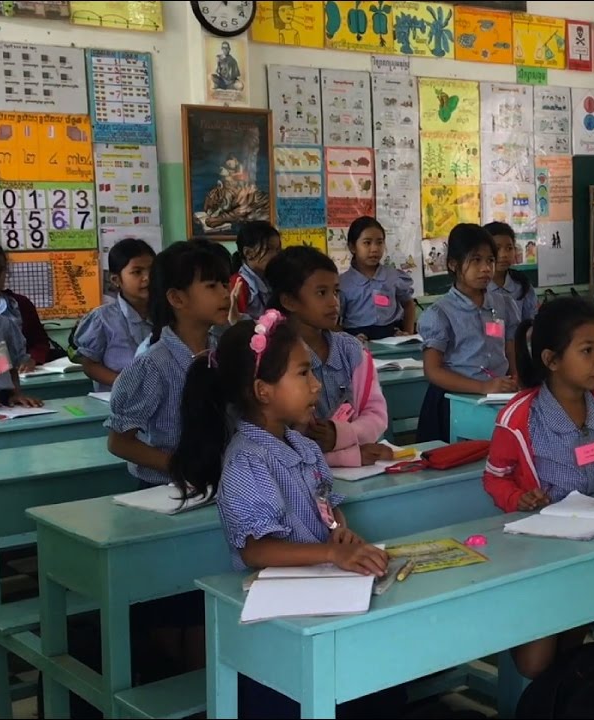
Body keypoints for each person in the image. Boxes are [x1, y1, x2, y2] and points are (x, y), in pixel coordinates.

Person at [168, 315, 396, 718]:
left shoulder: (303, 447)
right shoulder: (248, 461)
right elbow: (257, 550)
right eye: (303, 373)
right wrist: (331, 553)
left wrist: (339, 533)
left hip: (317, 591)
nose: (316, 385)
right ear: (263, 391)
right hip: (276, 617)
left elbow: (327, 506)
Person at [481, 296, 594, 679]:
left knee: (570, 645)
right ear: (551, 360)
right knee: (535, 663)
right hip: (537, 549)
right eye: (587, 351)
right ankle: (511, 627)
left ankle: (560, 700)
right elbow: (495, 478)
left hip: (592, 543)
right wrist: (517, 497)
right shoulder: (520, 418)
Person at [108, 242, 230, 488]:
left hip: (218, 482)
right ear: (176, 298)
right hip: (165, 490)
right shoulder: (152, 365)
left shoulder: (222, 352)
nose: (225, 294)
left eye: (224, 284)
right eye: (211, 286)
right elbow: (119, 442)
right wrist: (180, 468)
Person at [268, 246, 390, 468]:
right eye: (321, 293)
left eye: (336, 291)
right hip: (296, 476)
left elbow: (376, 415)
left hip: (359, 472)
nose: (334, 302)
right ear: (289, 301)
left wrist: (341, 434)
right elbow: (275, 443)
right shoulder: (273, 355)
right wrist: (345, 457)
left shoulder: (351, 350)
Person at [416, 224, 518, 442]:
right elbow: (432, 371)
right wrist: (483, 387)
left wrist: (517, 380)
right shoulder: (440, 313)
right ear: (453, 264)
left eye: (490, 260)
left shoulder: (504, 304)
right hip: (454, 400)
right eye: (476, 260)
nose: (485, 268)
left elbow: (511, 350)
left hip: (498, 396)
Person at [73, 238, 156, 390]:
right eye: (137, 272)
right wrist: (125, 383)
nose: (147, 278)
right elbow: (89, 365)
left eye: (152, 270)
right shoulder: (102, 319)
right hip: (117, 396)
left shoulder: (166, 314)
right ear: (116, 279)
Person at [339, 216, 416, 340]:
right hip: (357, 339)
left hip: (392, 337)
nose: (374, 249)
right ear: (352, 247)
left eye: (379, 242)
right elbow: (333, 319)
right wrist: (345, 341)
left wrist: (408, 334)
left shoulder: (393, 276)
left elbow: (408, 304)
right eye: (367, 243)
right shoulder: (343, 283)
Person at [486, 221, 538, 325]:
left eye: (509, 248)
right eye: (497, 248)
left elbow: (532, 323)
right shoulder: (477, 288)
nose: (504, 254)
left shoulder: (522, 285)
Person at [229, 220, 281, 323]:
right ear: (248, 253)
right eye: (269, 249)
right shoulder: (239, 284)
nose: (276, 255)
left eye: (278, 250)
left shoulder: (270, 279)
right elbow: (235, 323)